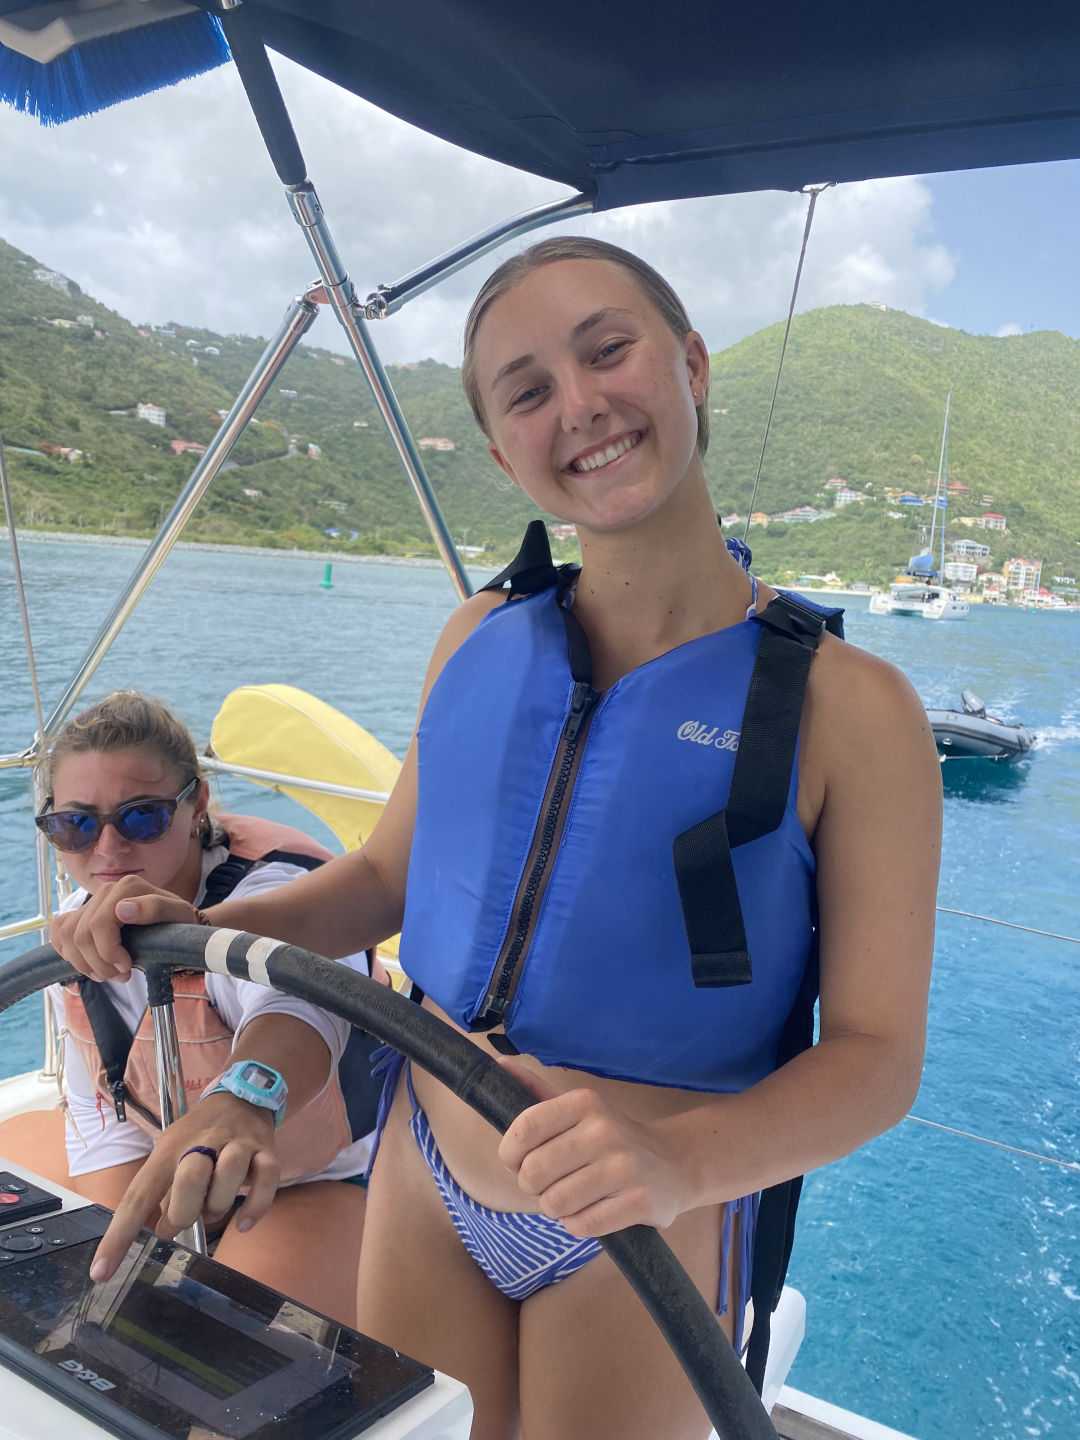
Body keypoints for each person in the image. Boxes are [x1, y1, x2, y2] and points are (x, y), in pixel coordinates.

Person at [53, 239, 942, 1440]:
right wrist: (199, 926)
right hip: (428, 1168)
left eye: (607, 351)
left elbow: (878, 1060)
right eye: (527, 391)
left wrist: (681, 1165)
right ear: (499, 452)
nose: (579, 405)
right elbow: (381, 881)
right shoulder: (477, 636)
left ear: (691, 364)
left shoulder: (854, 708)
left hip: (646, 1211)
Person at [6, 691, 382, 1327]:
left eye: (142, 817)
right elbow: (101, 1114)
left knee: (228, 1332)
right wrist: (128, 1237)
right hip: (180, 1158)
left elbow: (296, 1007)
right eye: (75, 825)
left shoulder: (276, 890)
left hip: (318, 1178)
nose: (108, 848)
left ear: (196, 805)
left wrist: (246, 1100)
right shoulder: (75, 928)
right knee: (104, 1297)